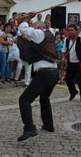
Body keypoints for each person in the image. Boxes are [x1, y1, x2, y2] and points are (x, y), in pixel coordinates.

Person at [16, 12, 59, 141]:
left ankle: (29, 128)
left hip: (45, 73)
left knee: (24, 100)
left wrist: (25, 19)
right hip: (53, 73)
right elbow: (24, 35)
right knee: (44, 98)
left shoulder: (40, 33)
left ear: (38, 27)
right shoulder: (49, 34)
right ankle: (48, 125)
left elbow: (24, 30)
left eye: (33, 27)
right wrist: (28, 18)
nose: (32, 29)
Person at [62, 24, 81, 108]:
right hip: (71, 63)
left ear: (76, 31)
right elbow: (64, 50)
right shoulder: (66, 40)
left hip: (80, 64)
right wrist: (63, 58)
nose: (70, 32)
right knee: (67, 79)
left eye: (72, 30)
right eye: (69, 30)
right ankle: (73, 92)